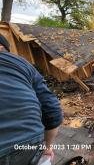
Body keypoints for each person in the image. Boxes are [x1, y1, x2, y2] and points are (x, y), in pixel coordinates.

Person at [0, 34, 63, 165]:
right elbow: (52, 109)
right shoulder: (21, 62)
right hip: (27, 144)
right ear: (2, 47)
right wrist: (47, 148)